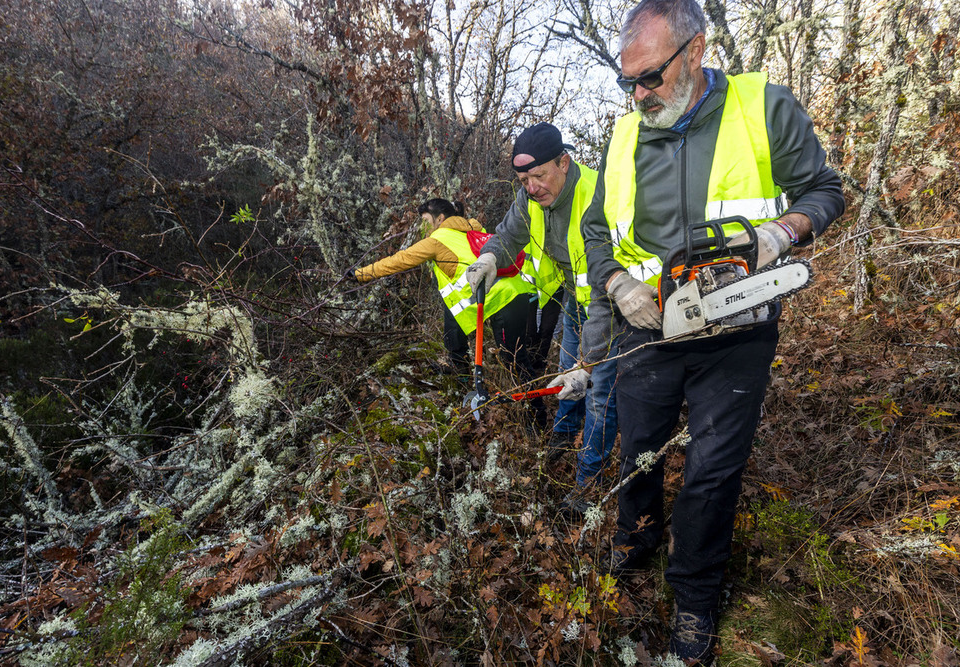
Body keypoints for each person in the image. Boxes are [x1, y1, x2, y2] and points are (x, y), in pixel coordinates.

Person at [553, 0, 846, 663]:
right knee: (639, 449)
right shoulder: (626, 133)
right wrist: (617, 283)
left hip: (735, 328)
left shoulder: (762, 108)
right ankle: (637, 537)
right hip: (649, 327)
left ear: (696, 52)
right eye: (627, 80)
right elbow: (599, 231)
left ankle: (694, 595)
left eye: (650, 77)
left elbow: (825, 190)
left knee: (712, 471)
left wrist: (783, 231)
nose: (638, 93)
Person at [464, 123, 620, 513]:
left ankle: (587, 487)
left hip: (613, 306)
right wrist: (489, 258)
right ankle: (561, 440)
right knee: (565, 377)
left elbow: (606, 283)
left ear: (563, 162)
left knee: (599, 392)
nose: (531, 187)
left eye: (538, 176)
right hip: (572, 301)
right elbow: (508, 235)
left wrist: (591, 360)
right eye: (522, 179)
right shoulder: (529, 199)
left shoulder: (599, 194)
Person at [351, 198, 536, 382]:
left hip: (500, 300)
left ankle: (535, 409)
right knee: (454, 306)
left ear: (439, 218)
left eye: (425, 221)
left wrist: (361, 274)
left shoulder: (436, 240)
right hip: (516, 293)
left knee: (516, 365)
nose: (422, 228)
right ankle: (459, 365)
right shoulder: (472, 229)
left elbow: (398, 261)